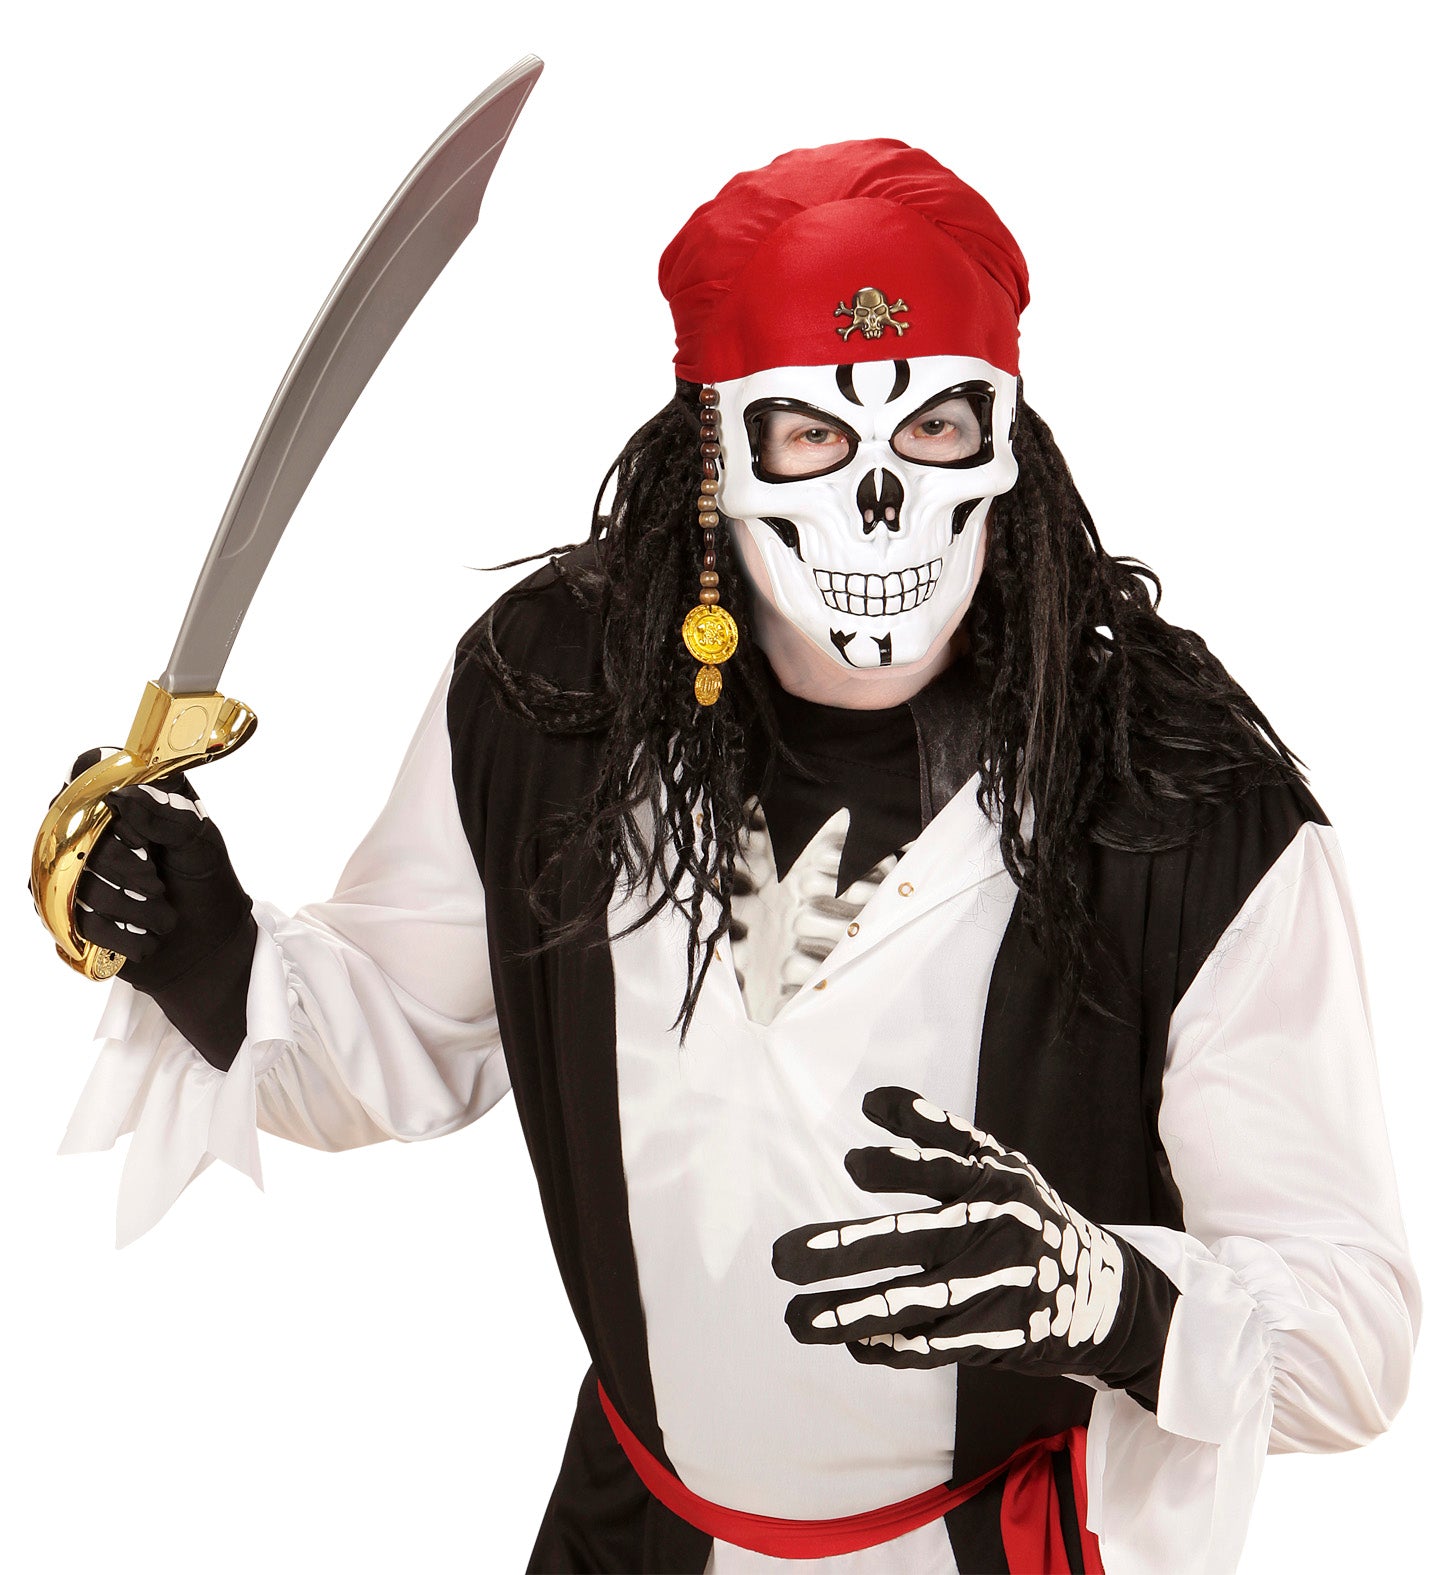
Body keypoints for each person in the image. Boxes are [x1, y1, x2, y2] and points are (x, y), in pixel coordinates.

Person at [55, 140, 1418, 1574]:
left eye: (935, 427)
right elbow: (392, 1040)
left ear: (1005, 439)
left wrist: (1117, 1303)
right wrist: (207, 952)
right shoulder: (556, 697)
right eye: (812, 435)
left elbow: (1351, 1341)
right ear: (713, 453)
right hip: (632, 1538)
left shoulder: (1176, 791)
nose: (880, 501)